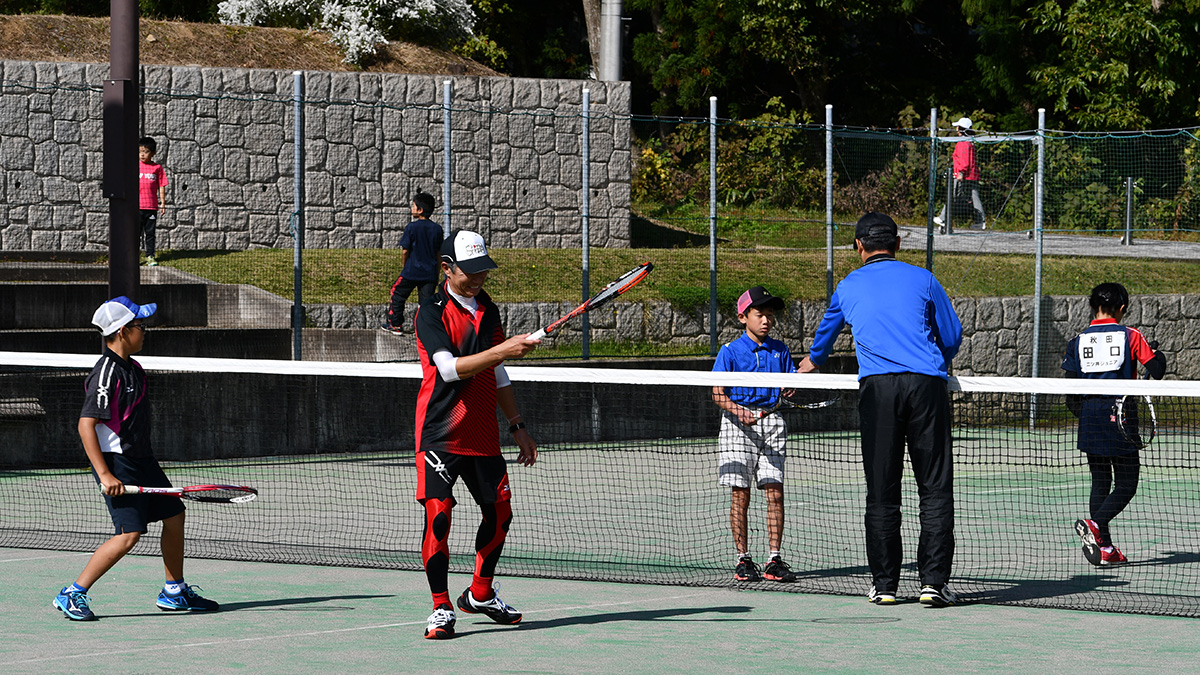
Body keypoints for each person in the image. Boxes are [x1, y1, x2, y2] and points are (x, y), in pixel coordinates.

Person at [799, 212, 963, 608]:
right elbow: (953, 336)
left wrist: (813, 360)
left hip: (878, 391)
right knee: (935, 489)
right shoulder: (923, 278)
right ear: (898, 244)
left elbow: (825, 336)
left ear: (858, 247)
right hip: (926, 387)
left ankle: (885, 585)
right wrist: (932, 362)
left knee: (882, 490)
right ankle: (933, 584)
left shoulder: (847, 285)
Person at [52, 297, 219, 621]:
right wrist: (105, 475)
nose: (145, 331)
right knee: (129, 535)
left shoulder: (134, 368)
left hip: (142, 459)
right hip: (118, 463)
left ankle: (174, 591)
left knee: (174, 516)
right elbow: (86, 424)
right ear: (123, 331)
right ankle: (72, 593)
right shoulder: (107, 373)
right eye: (141, 326)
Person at [413, 230, 540, 640]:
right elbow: (448, 369)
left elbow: (497, 372)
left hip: (484, 432)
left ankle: (481, 594)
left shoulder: (487, 307)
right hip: (441, 433)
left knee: (500, 514)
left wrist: (517, 425)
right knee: (439, 516)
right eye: (471, 271)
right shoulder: (430, 310)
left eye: (484, 268)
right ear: (446, 269)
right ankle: (441, 607)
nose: (480, 277)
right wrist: (503, 350)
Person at [1062, 283, 1166, 567]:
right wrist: (1158, 355)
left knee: (1100, 482)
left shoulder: (1077, 340)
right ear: (1122, 309)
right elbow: (1156, 371)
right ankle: (1097, 525)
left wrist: (1085, 415)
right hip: (1121, 417)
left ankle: (1105, 548)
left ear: (1092, 307)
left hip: (1089, 417)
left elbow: (1069, 390)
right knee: (1128, 484)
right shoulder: (1131, 336)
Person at [710, 285, 798, 584]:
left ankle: (774, 559)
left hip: (772, 424)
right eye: (760, 315)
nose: (766, 321)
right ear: (743, 317)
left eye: (770, 316)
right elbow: (718, 394)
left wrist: (790, 387)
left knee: (775, 493)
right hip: (737, 426)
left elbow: (789, 384)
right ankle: (743, 558)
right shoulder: (730, 352)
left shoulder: (781, 350)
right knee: (741, 494)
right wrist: (738, 411)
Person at [383, 191, 443, 333]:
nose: (412, 208)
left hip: (411, 271)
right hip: (430, 273)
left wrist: (405, 266)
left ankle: (395, 324)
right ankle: (423, 331)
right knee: (426, 303)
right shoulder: (437, 229)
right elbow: (439, 253)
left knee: (397, 293)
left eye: (414, 206)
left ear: (420, 210)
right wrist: (437, 270)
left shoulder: (411, 227)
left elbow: (405, 250)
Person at [934, 117, 985, 230]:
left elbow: (964, 160)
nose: (956, 129)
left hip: (963, 174)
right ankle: (980, 221)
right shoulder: (970, 141)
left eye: (958, 127)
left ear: (961, 129)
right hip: (972, 174)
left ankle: (943, 218)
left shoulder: (963, 142)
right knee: (974, 196)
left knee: (952, 195)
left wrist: (960, 172)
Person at [138, 137, 168, 266]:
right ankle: (133, 257)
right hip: (136, 207)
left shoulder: (157, 168)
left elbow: (161, 186)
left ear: (153, 153)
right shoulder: (134, 166)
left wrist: (162, 203)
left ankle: (150, 256)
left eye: (146, 151)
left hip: (151, 207)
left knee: (150, 234)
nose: (142, 154)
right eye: (140, 151)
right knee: (135, 234)